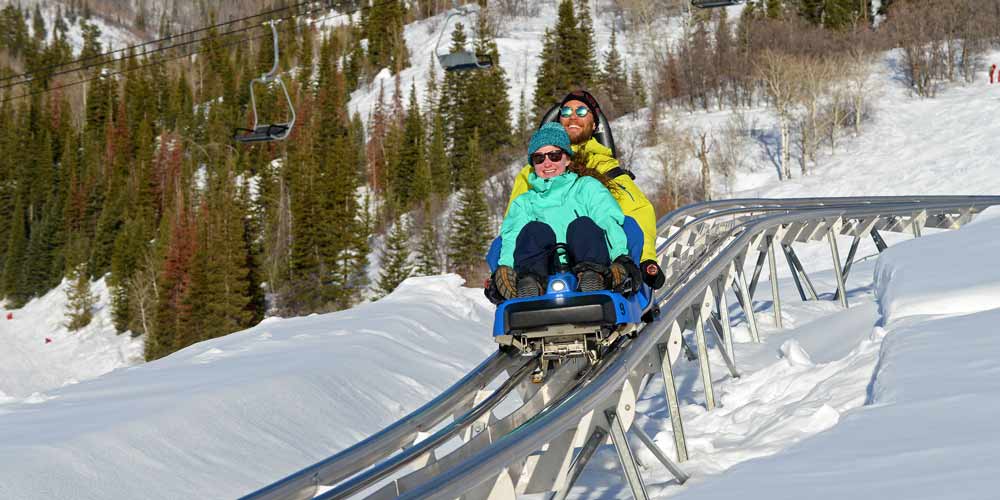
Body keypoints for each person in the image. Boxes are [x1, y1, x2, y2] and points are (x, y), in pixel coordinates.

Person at [504, 90, 664, 290]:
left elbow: (635, 214)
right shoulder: (532, 173)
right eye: (566, 111)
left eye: (581, 111)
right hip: (544, 258)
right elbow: (514, 223)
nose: (572, 116)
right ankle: (524, 285)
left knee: (594, 226)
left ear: (595, 125)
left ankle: (596, 278)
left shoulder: (605, 169)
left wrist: (646, 259)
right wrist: (502, 267)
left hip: (591, 250)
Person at [486, 123, 642, 302]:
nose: (547, 163)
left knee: (582, 225)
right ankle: (529, 285)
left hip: (589, 262)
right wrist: (504, 269)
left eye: (554, 155)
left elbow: (607, 221)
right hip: (545, 270)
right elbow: (511, 237)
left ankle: (593, 278)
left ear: (567, 159)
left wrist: (621, 257)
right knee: (533, 230)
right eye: (539, 158)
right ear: (533, 164)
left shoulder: (587, 187)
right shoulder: (524, 202)